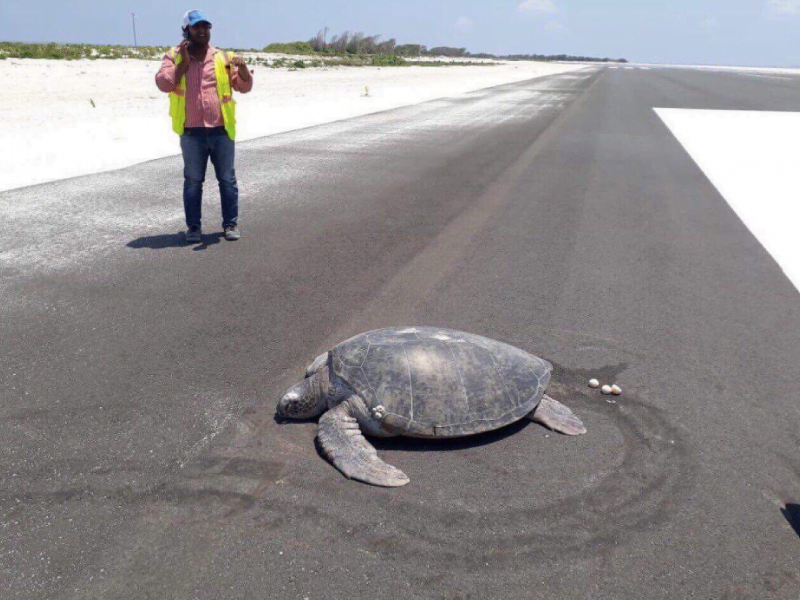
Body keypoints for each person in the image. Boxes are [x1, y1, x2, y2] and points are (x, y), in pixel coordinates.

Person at [155, 9, 253, 243]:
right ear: (186, 30)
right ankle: (193, 228)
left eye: (206, 27)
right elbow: (164, 84)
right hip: (191, 133)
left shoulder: (223, 57)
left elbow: (243, 86)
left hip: (221, 130)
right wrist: (183, 64)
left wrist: (244, 70)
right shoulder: (173, 56)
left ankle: (230, 224)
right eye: (197, 27)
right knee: (192, 181)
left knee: (227, 180)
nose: (202, 31)